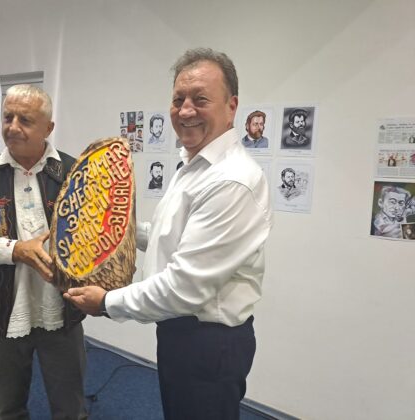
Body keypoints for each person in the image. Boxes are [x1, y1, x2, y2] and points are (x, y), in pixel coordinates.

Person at [64, 48, 273, 420]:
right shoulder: (193, 166)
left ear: (232, 107)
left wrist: (106, 302)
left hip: (208, 343)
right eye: (178, 100)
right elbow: (172, 236)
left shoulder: (232, 180)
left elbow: (184, 287)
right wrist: (116, 229)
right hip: (181, 332)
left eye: (200, 99)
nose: (186, 111)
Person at [0, 84, 87, 420]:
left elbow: (95, 234)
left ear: (48, 128)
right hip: (3, 313)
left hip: (61, 313)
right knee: (8, 410)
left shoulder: (74, 172)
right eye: (8, 117)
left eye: (25, 120)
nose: (12, 127)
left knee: (71, 409)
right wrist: (14, 250)